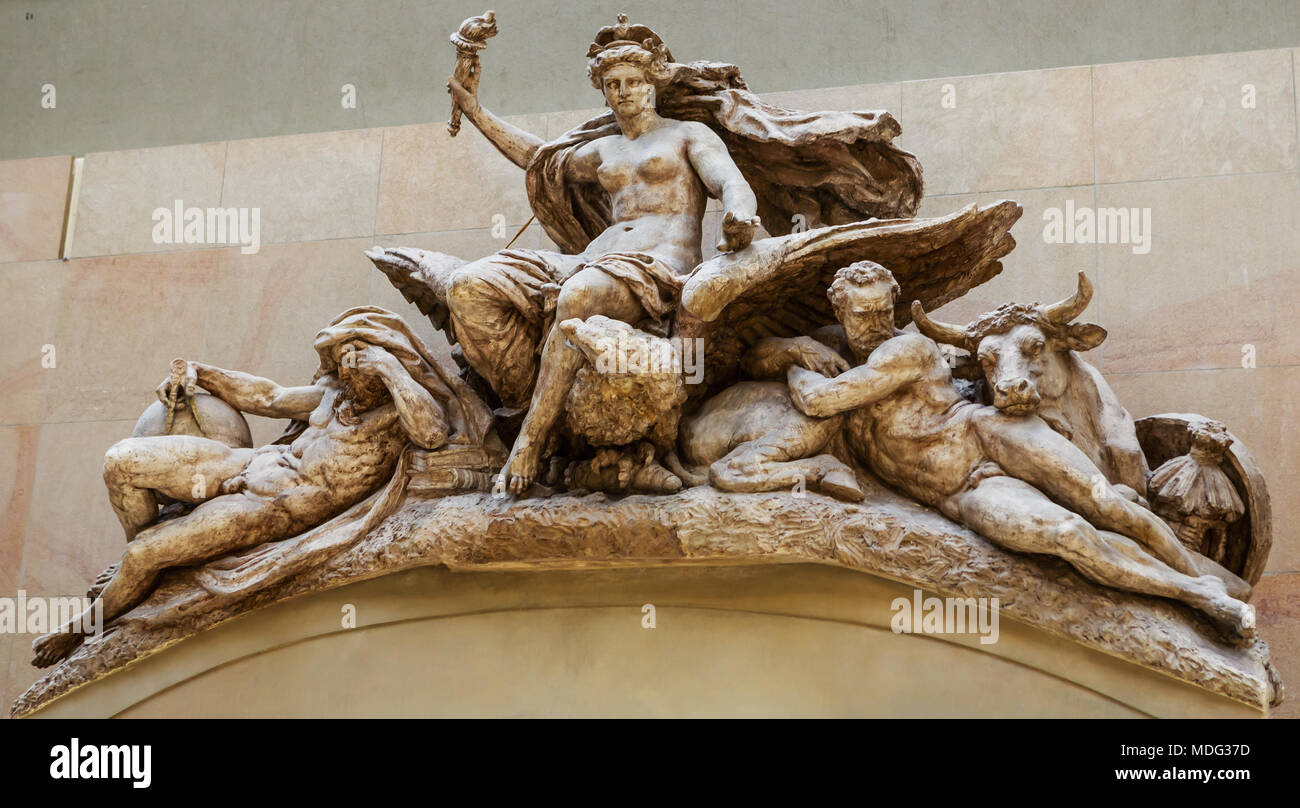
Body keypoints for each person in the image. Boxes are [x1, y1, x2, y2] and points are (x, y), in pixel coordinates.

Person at [32, 307, 493, 666]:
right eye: (344, 369)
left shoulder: (401, 413)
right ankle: (157, 574)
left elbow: (432, 434)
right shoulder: (334, 394)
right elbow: (267, 397)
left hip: (265, 507)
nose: (349, 381)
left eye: (360, 370)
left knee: (143, 554)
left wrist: (390, 371)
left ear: (388, 362)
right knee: (121, 462)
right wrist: (198, 373)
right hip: (242, 463)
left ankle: (84, 627)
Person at [446, 18, 761, 494]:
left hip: (655, 267)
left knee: (578, 297)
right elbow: (539, 159)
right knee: (469, 286)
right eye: (613, 85)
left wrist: (740, 215)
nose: (624, 92)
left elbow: (729, 181)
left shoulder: (688, 135)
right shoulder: (603, 150)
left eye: (633, 82)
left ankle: (530, 442)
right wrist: (474, 109)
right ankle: (534, 399)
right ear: (604, 92)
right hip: (592, 259)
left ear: (653, 83)